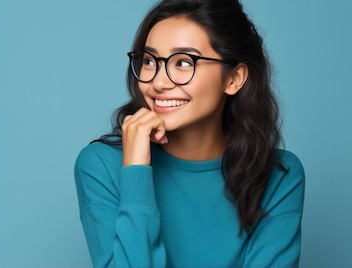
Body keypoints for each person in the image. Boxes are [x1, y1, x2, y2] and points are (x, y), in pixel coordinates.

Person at [73, 0, 305, 267]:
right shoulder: (102, 165)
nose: (158, 82)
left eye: (183, 62)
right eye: (149, 61)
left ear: (234, 79)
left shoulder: (279, 175)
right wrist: (136, 168)